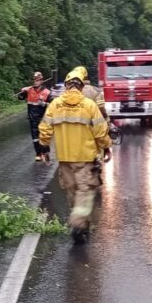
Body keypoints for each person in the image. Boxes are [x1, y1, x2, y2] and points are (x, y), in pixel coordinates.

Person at [39, 70, 112, 244]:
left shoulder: (55, 105)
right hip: (86, 158)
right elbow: (101, 131)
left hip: (64, 158)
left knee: (71, 191)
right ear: (81, 86)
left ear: (66, 86)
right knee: (85, 190)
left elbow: (45, 129)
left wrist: (44, 148)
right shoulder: (89, 105)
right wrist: (106, 147)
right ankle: (79, 224)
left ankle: (81, 223)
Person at [17, 71, 51, 161]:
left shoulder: (47, 92)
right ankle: (38, 153)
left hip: (43, 118)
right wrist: (22, 91)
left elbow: (52, 106)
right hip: (32, 118)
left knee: (43, 136)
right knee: (35, 138)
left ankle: (45, 152)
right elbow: (20, 97)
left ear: (41, 81)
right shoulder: (29, 90)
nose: (35, 81)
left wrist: (43, 103)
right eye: (34, 80)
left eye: (37, 80)